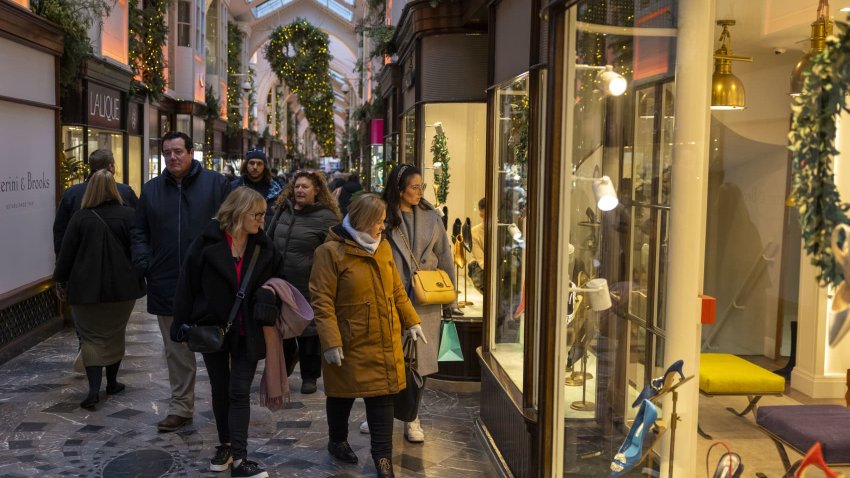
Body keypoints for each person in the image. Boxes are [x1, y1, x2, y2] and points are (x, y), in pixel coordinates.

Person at [309, 194, 425, 478]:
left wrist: (411, 320)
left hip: (383, 338)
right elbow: (321, 299)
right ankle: (337, 440)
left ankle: (382, 458)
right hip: (349, 341)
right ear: (363, 220)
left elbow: (396, 288)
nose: (382, 228)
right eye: (379, 222)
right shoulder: (330, 252)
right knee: (341, 396)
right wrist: (331, 341)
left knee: (383, 399)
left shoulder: (382, 248)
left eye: (384, 222)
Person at [173, 187, 282, 478]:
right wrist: (180, 323)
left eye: (263, 213)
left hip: (248, 329)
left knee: (238, 392)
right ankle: (225, 445)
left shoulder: (264, 246)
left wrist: (268, 296)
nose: (262, 218)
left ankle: (240, 459)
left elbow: (278, 279)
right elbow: (187, 284)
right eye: (256, 213)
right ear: (238, 212)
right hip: (213, 328)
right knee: (220, 389)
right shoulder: (207, 242)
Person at [131, 131, 231, 432]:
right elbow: (139, 233)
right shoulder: (151, 191)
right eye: (167, 152)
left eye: (178, 151)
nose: (172, 157)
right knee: (176, 351)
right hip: (167, 283)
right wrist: (145, 264)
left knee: (217, 349)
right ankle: (181, 407)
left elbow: (234, 228)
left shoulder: (216, 184)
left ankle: (225, 405)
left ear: (191, 153)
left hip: (209, 285)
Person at [53, 170, 146, 409]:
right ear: (114, 189)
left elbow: (66, 255)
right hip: (122, 291)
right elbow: (139, 249)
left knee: (91, 338)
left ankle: (93, 391)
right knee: (115, 334)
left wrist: (60, 281)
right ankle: (112, 383)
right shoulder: (129, 215)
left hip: (85, 290)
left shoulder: (80, 218)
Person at [380, 163, 458, 443]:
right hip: (392, 297)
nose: (420, 191)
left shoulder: (431, 215)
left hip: (426, 298)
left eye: (421, 187)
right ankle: (382, 414)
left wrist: (451, 298)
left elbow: (445, 255)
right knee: (390, 361)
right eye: (415, 186)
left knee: (420, 363)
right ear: (399, 189)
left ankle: (412, 417)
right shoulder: (383, 215)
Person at [269, 170, 341, 394]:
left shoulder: (326, 217)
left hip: (309, 283)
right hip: (282, 281)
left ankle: (310, 376)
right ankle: (289, 360)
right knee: (285, 327)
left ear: (317, 190)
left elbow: (334, 251)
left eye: (305, 187)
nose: (300, 190)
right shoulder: (283, 210)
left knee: (310, 332)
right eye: (297, 186)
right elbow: (269, 238)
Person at [54, 148, 138, 256]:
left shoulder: (71, 194)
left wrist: (63, 263)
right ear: (111, 166)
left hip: (82, 264)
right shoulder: (125, 192)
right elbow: (139, 227)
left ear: (90, 167)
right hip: (121, 264)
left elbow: (60, 232)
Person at [231, 148, 283, 226]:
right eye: (252, 163)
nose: (255, 167)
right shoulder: (234, 188)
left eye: (259, 164)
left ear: (264, 166)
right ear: (246, 165)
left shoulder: (276, 190)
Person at [468, 197, 486, 293]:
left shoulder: (502, 229)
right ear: (481, 215)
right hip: (483, 268)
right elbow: (481, 260)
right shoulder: (475, 232)